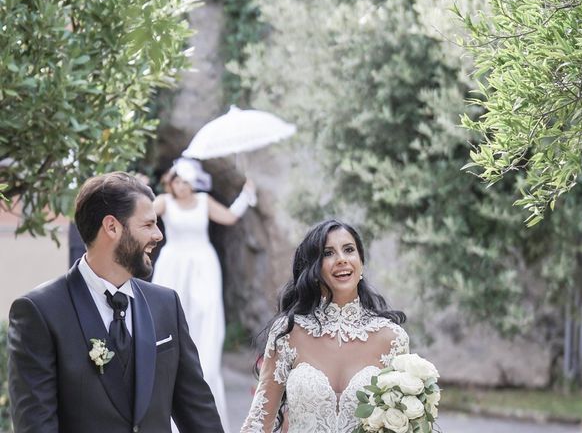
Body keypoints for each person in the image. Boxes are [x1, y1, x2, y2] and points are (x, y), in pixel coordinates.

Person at [7, 172, 224, 433]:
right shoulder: (39, 312)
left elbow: (199, 413)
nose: (158, 235)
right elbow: (36, 426)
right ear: (112, 227)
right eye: (147, 225)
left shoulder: (166, 304)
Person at [240, 219, 410, 432]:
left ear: (361, 262)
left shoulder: (392, 338)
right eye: (328, 253)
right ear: (314, 268)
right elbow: (258, 422)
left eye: (349, 250)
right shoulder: (288, 332)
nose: (341, 259)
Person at [152, 158, 257, 432]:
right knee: (169, 322)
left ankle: (204, 382)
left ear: (193, 183)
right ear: (171, 181)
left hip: (202, 266)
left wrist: (246, 194)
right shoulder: (164, 202)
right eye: (177, 180)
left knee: (205, 321)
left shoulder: (203, 201)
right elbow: (141, 215)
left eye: (186, 181)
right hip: (173, 266)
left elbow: (230, 216)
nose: (181, 186)